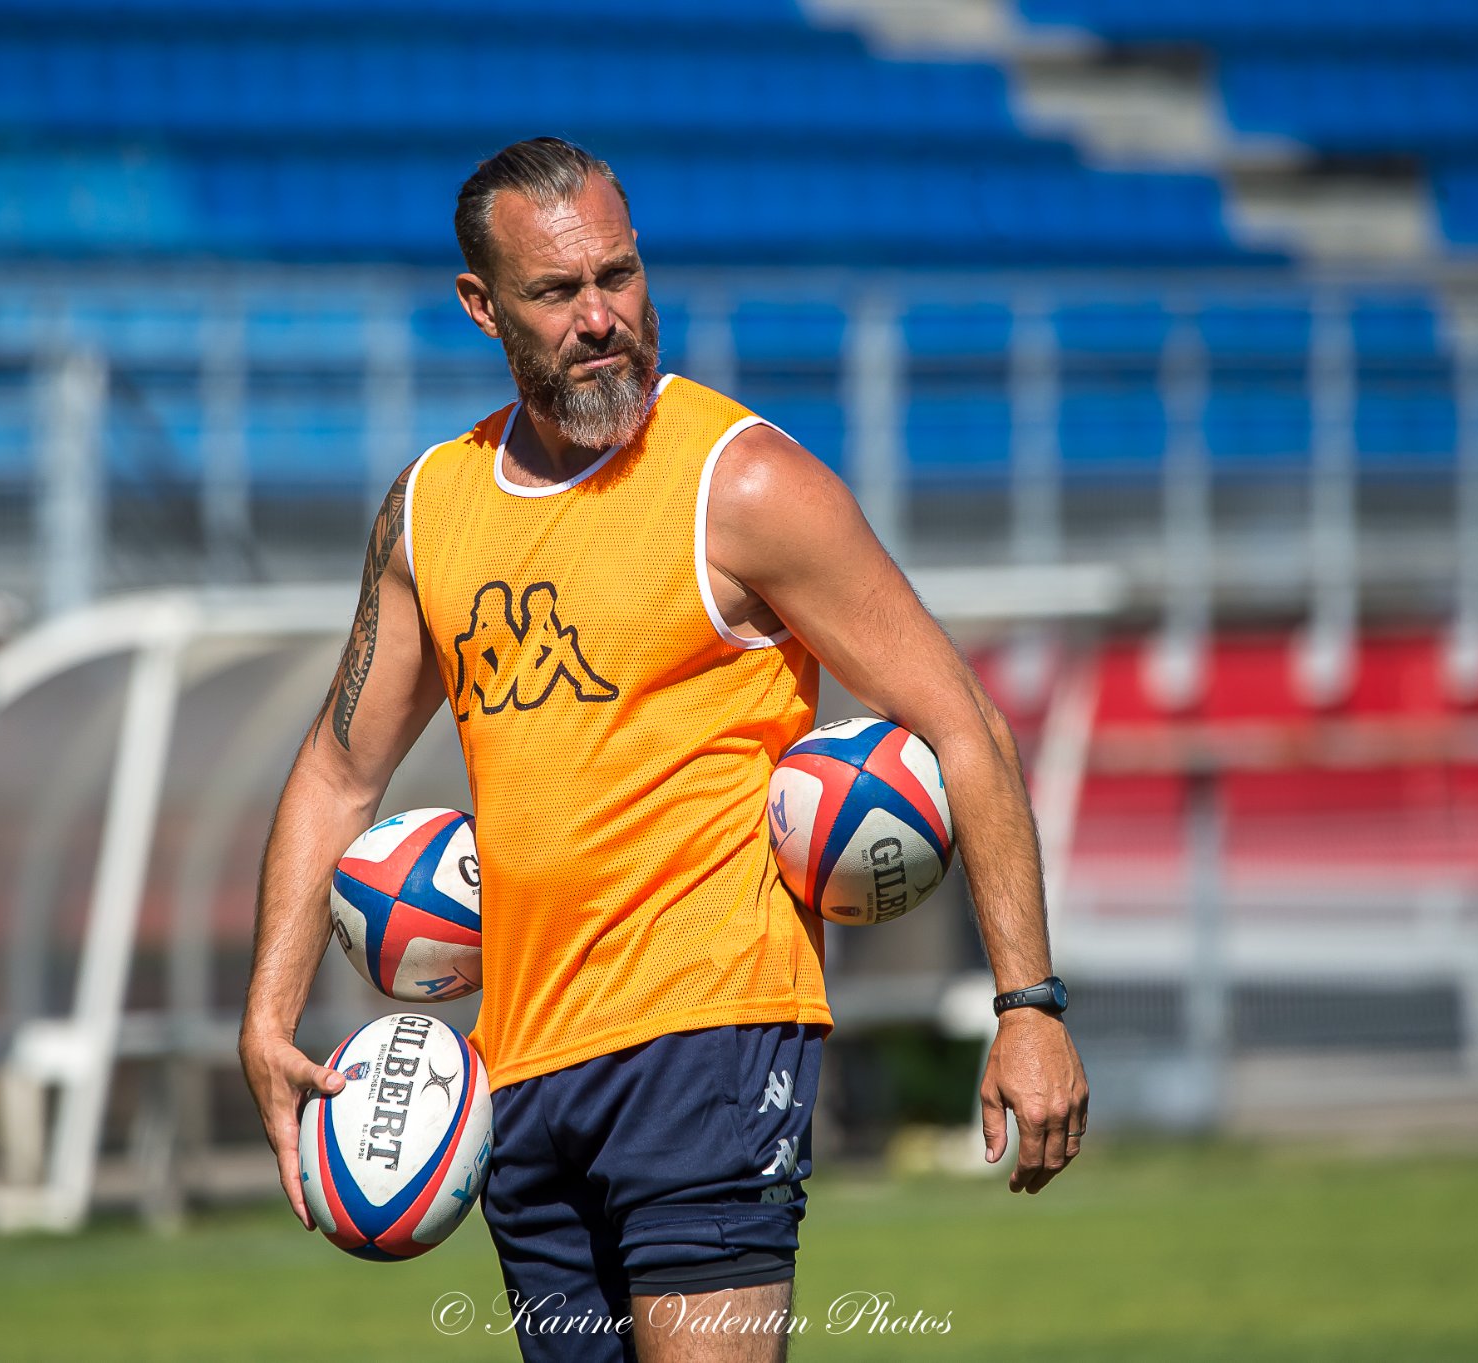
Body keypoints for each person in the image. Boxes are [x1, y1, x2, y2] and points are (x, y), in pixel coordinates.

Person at [239, 137, 1087, 1363]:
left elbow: (966, 722)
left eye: (619, 277)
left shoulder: (739, 483)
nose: (601, 319)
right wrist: (266, 1016)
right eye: (555, 292)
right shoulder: (431, 509)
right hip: (517, 1071)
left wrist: (1028, 1004)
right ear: (481, 307)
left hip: (712, 1039)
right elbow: (334, 769)